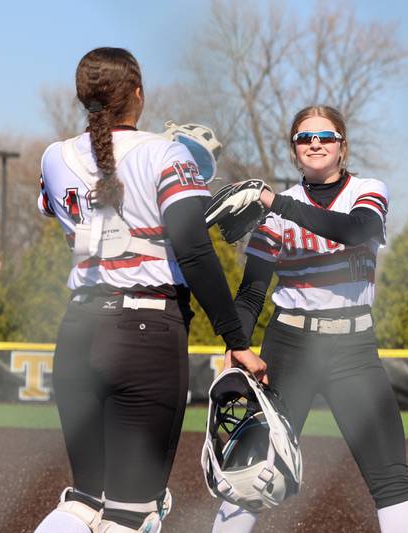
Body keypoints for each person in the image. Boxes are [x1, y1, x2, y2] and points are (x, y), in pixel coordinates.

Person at [33, 47, 266, 533]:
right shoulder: (165, 153)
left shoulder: (54, 156)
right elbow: (194, 251)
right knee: (131, 512)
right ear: (138, 93)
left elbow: (66, 207)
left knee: (82, 501)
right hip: (145, 330)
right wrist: (236, 340)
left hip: (77, 329)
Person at [212, 106, 408, 532]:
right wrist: (236, 345)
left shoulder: (367, 190)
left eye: (326, 136)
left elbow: (355, 231)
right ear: (294, 150)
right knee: (250, 475)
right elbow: (253, 291)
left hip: (353, 348)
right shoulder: (271, 214)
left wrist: (275, 201)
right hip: (290, 347)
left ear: (342, 146)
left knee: (390, 480)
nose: (315, 143)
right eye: (304, 138)